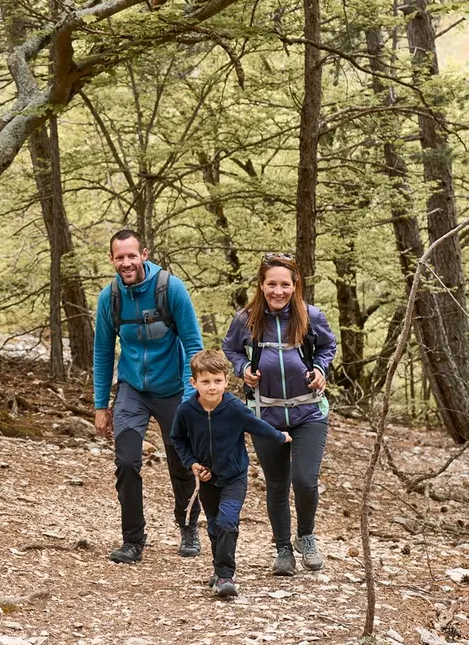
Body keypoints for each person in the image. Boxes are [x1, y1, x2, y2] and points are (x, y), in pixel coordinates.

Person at [93, 229, 205, 564]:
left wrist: (191, 395)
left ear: (144, 254)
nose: (126, 263)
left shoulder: (171, 289)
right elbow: (102, 353)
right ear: (112, 260)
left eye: (131, 256)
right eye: (119, 257)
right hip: (132, 390)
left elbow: (193, 345)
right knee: (126, 461)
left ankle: (188, 528)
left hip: (173, 389)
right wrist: (101, 405)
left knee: (182, 463)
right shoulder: (109, 298)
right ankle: (133, 540)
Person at [223, 252, 338, 576]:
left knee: (304, 479)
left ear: (294, 285)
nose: (278, 291)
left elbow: (328, 347)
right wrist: (243, 367)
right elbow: (230, 348)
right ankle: (283, 549)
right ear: (261, 285)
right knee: (276, 484)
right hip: (265, 414)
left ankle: (306, 536)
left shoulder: (311, 316)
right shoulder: (246, 319)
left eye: (284, 284)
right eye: (271, 284)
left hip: (308, 412)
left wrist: (319, 367)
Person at [171, 348, 292, 598]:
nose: (212, 387)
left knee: (227, 521)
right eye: (205, 382)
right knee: (215, 526)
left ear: (226, 380)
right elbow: (177, 439)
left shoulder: (234, 408)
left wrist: (281, 437)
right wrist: (192, 463)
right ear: (194, 383)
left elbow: (257, 426)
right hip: (207, 478)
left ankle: (226, 575)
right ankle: (219, 570)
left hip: (235, 476)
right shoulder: (186, 411)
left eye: (217, 381)